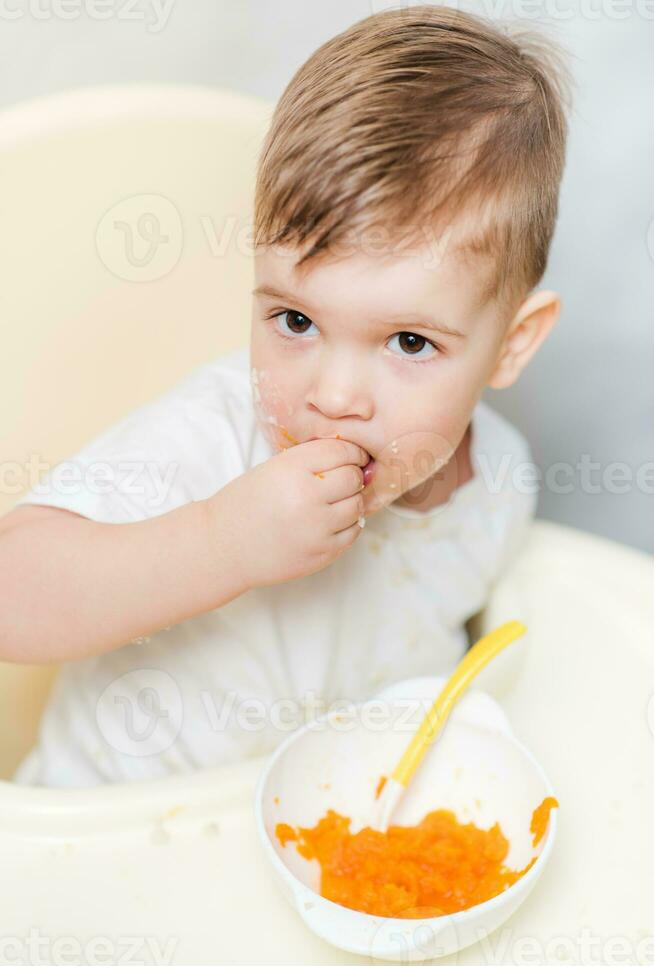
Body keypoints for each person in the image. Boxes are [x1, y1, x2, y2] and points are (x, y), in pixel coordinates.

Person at [1, 5, 569, 786]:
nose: (333, 397)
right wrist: (217, 542)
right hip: (104, 828)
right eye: (295, 319)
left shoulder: (500, 482)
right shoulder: (220, 438)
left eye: (409, 342)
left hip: (317, 842)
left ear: (513, 343)